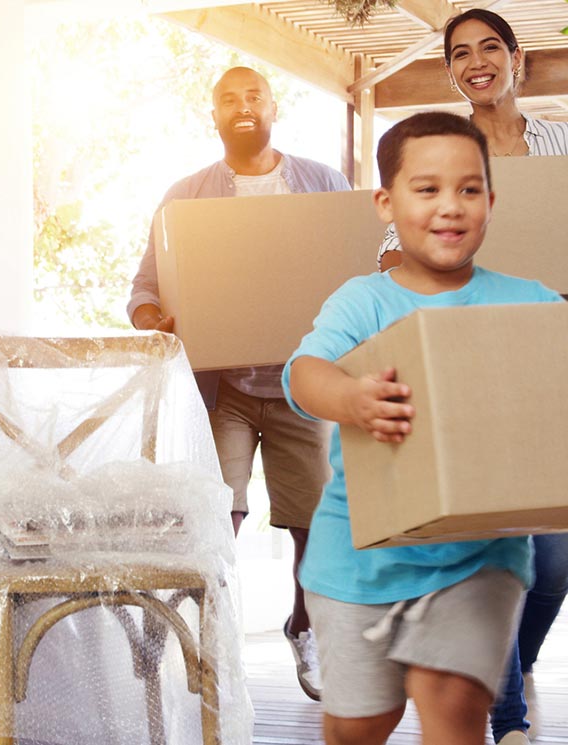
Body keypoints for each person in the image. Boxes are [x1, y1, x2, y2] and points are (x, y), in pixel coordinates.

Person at [284, 111, 559, 745]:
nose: (451, 208)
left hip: (479, 556)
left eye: (469, 190)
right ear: (386, 202)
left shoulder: (532, 304)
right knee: (361, 724)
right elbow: (304, 374)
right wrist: (352, 398)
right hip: (358, 561)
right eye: (427, 189)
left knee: (453, 703)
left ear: (491, 200)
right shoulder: (363, 302)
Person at [374, 11, 568, 742]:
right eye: (460, 53)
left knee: (558, 553)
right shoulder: (440, 147)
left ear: (515, 58)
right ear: (451, 70)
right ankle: (510, 721)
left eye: (489, 48)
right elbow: (388, 250)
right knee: (498, 548)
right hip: (471, 363)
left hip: (555, 362)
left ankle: (508, 663)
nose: (476, 62)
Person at [127, 65, 346, 702]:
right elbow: (146, 286)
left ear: (274, 107)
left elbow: (373, 249)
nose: (242, 106)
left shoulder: (323, 184)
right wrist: (153, 318)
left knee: (314, 524)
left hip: (300, 383)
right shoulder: (185, 196)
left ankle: (304, 626)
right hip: (223, 389)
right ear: (214, 115)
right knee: (216, 514)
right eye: (229, 99)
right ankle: (196, 631)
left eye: (254, 96)